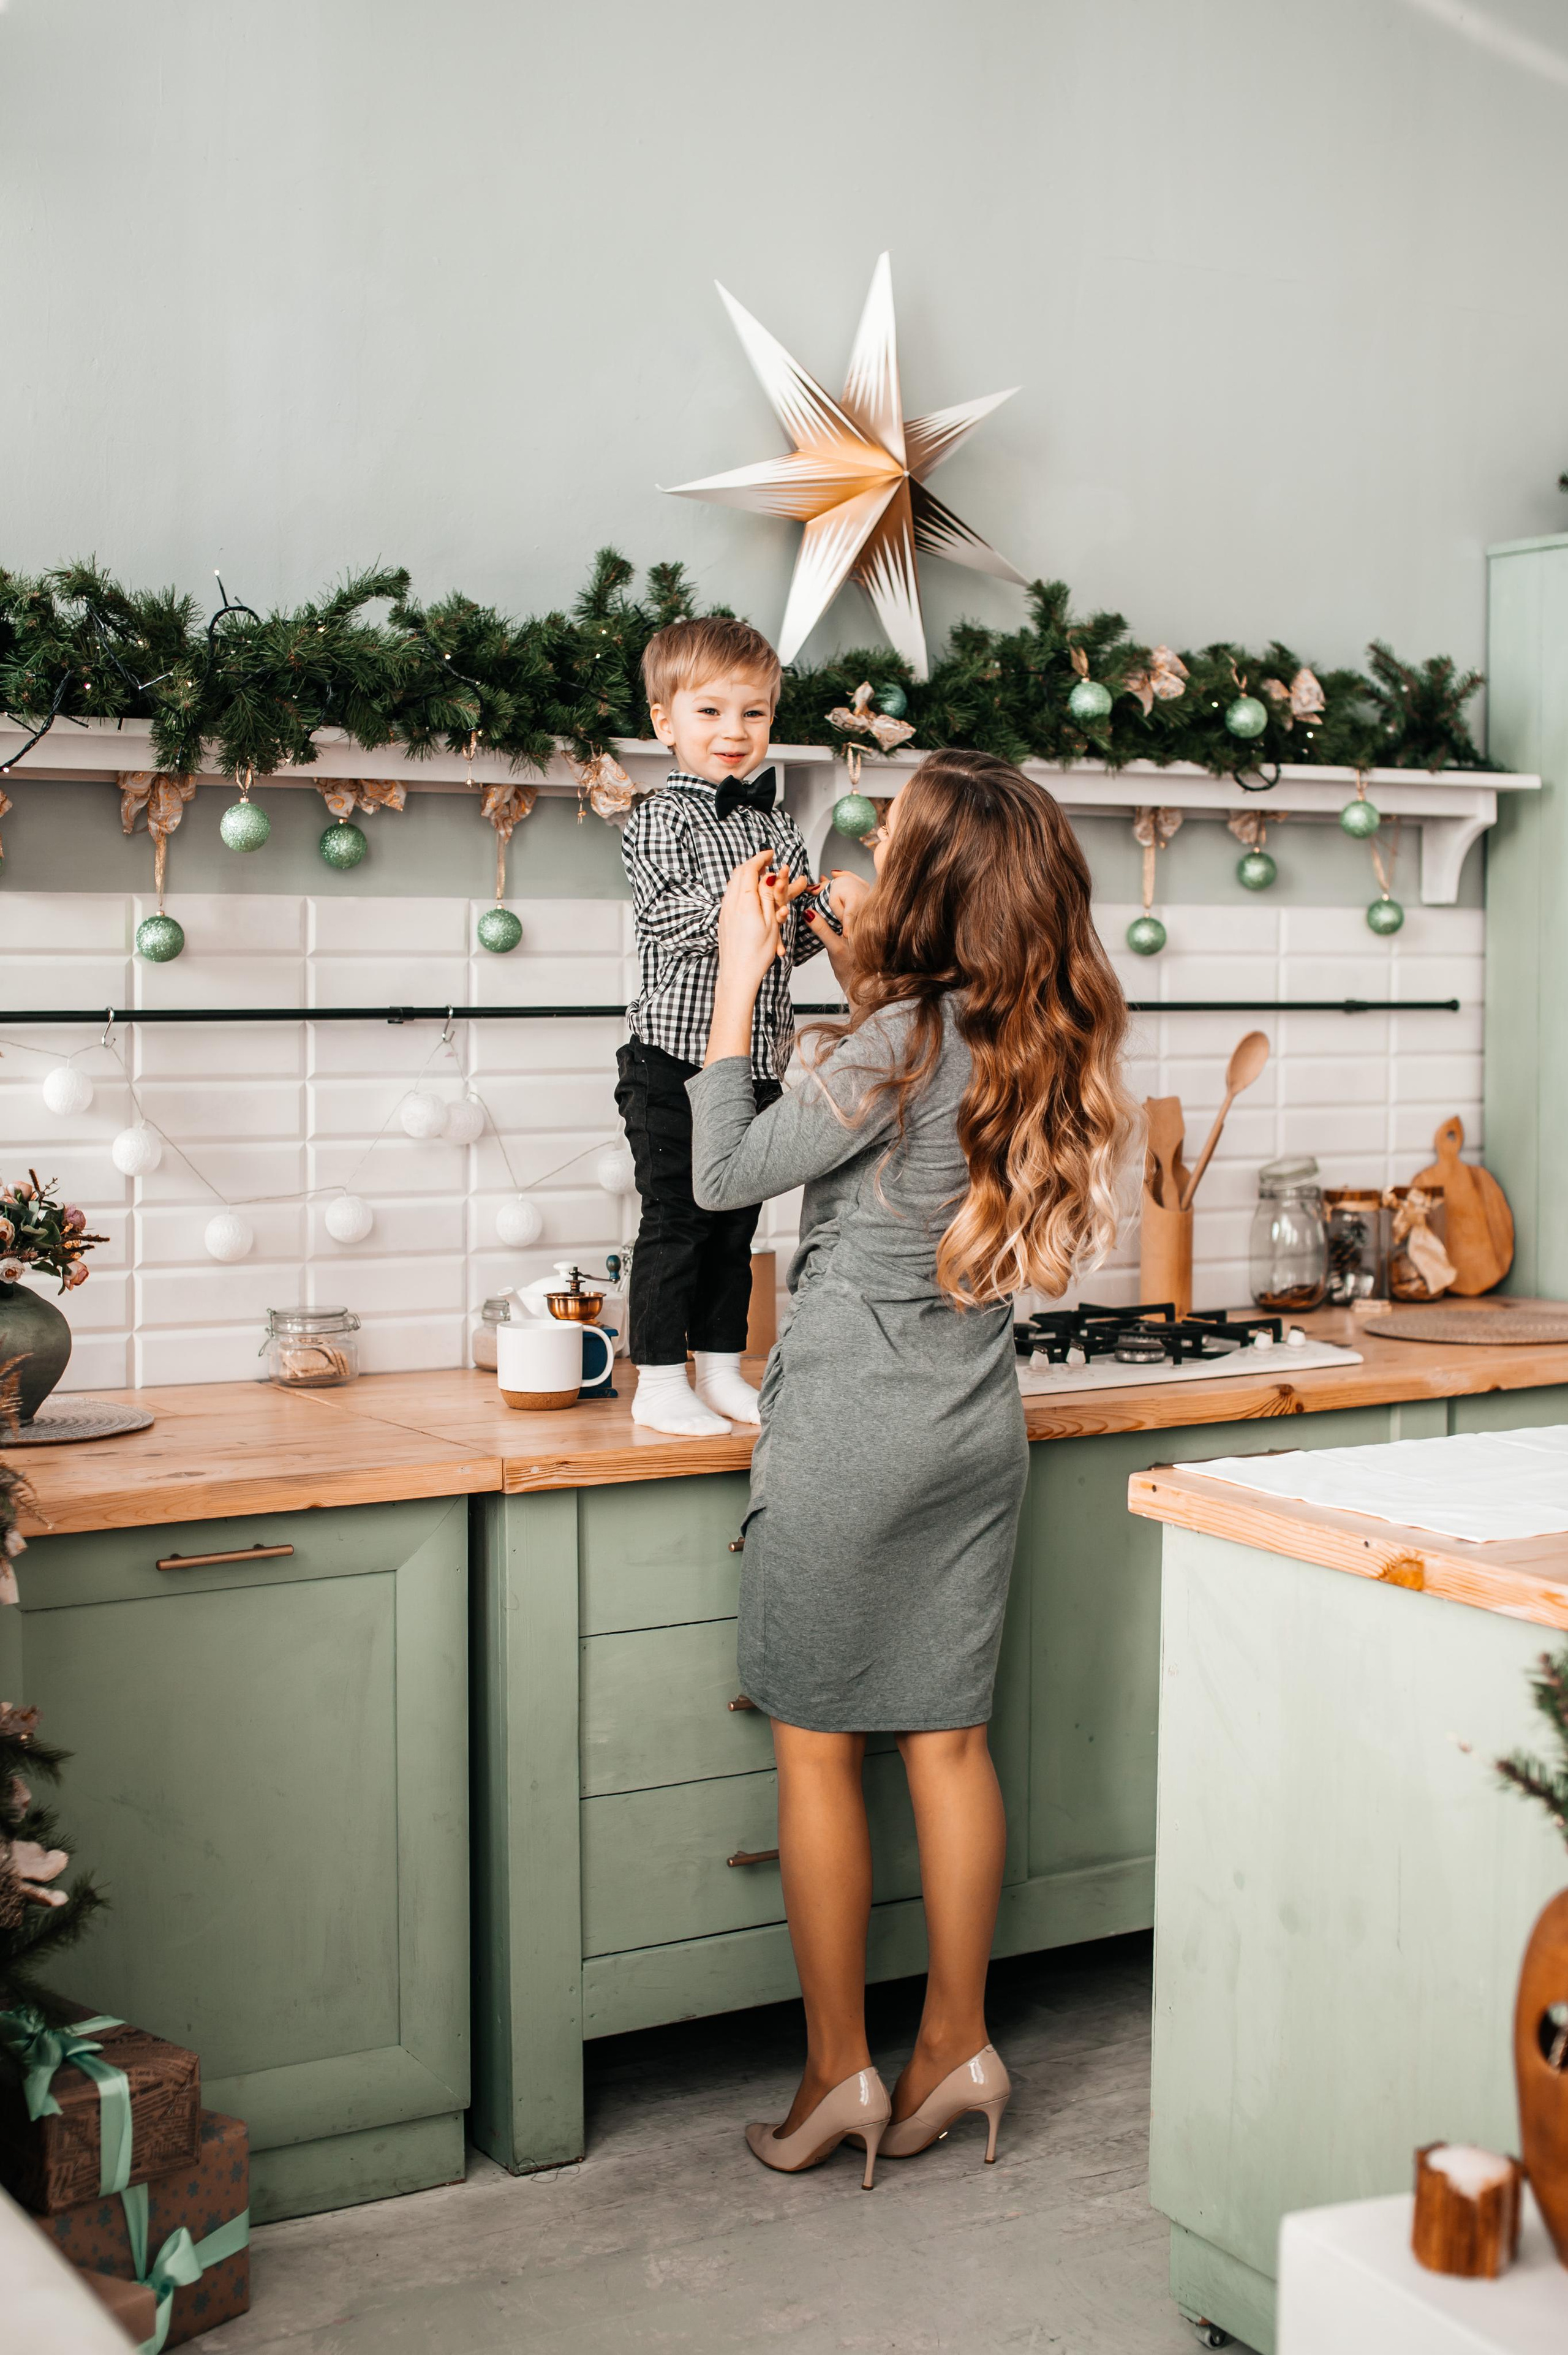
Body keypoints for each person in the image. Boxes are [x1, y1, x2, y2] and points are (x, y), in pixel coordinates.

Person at [687, 749, 1136, 2188]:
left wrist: (740, 979)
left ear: (937, 883)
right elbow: (908, 1093)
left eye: (884, 846)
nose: (863, 862)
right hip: (967, 1430)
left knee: (819, 1753)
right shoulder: (1030, 1030)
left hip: (851, 1433)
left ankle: (836, 2079)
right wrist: (853, 972)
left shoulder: (896, 1046)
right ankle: (956, 2047)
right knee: (946, 1748)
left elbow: (721, 1176)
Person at [616, 616, 823, 1437]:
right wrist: (747, 908)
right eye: (710, 713)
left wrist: (815, 913)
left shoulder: (778, 822)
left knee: (739, 1223)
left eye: (754, 714)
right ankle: (658, 1380)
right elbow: (671, 919)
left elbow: (794, 947)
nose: (734, 734)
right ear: (665, 722)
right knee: (677, 1219)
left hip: (758, 1064)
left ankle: (719, 1369)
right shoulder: (658, 819)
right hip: (673, 1058)